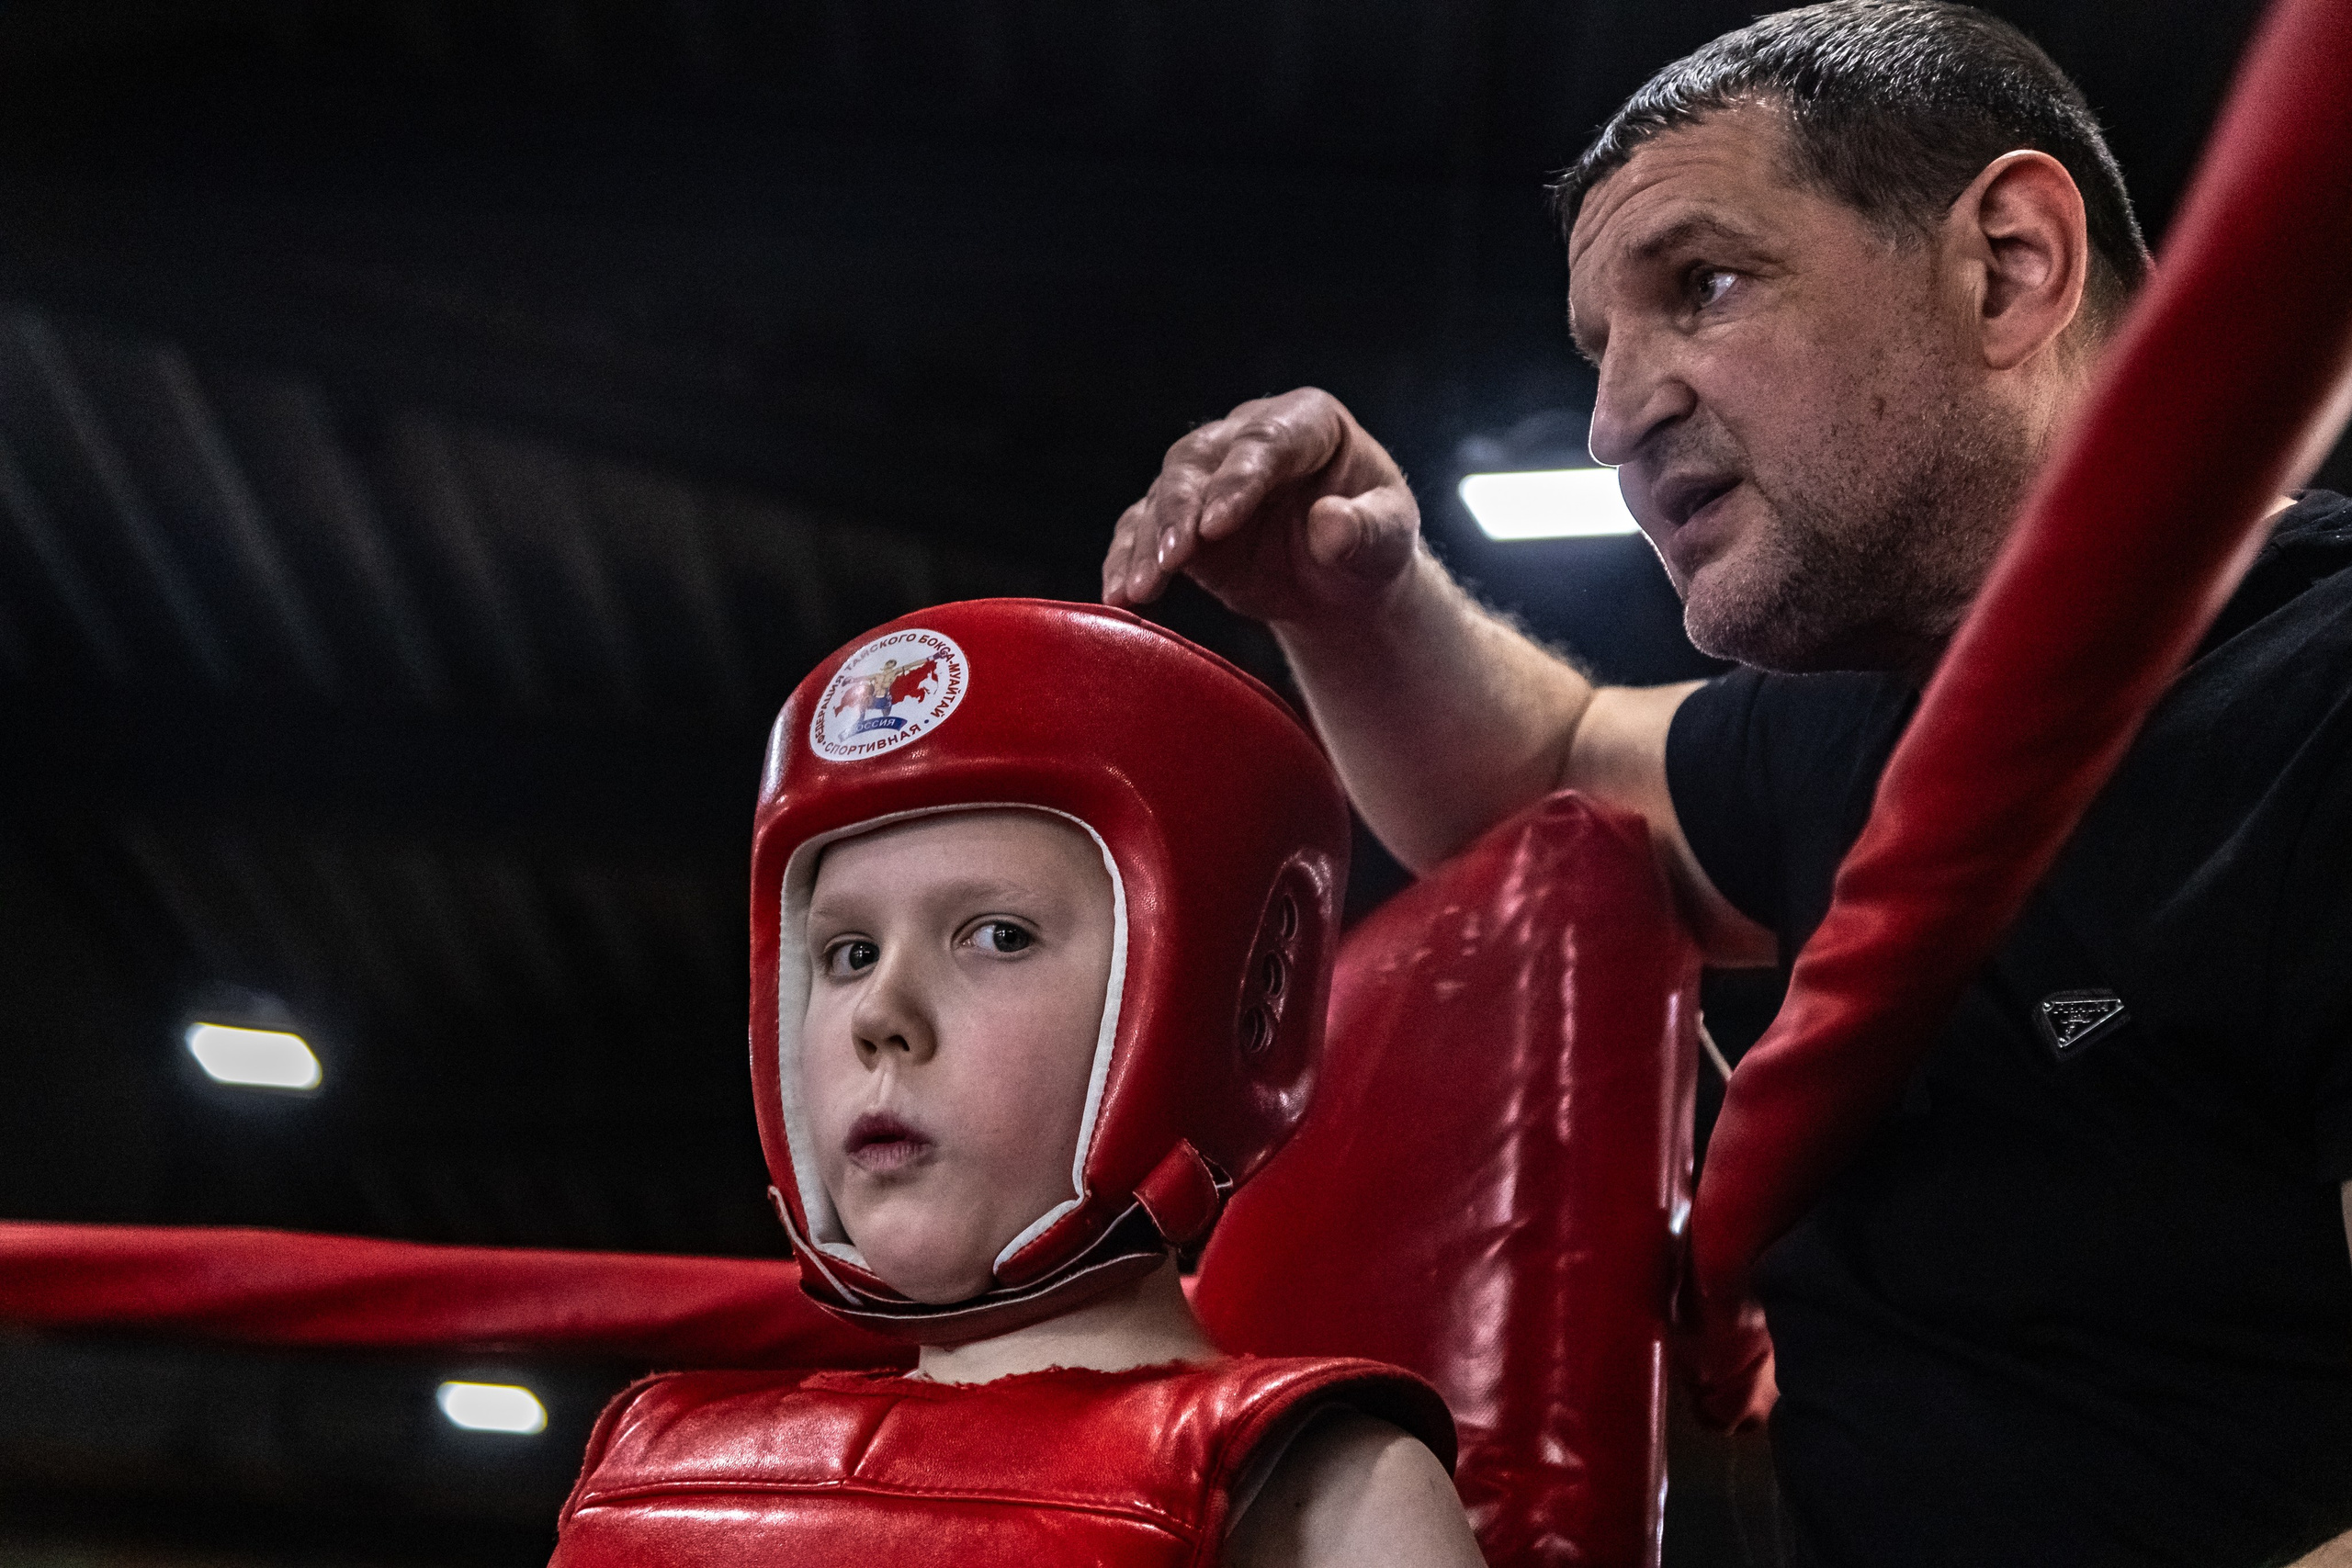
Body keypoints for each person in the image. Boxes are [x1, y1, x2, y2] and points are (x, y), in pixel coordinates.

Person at [1100, 4, 2352, 1564]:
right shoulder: (1854, 725)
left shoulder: (2321, 700)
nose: (1616, 417)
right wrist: (1352, 599)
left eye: (1703, 284)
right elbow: (1544, 778)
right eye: (1600, 350)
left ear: (2010, 265)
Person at [549, 598, 1487, 1568]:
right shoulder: (674, 1478)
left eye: (999, 936)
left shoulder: (1317, 1489)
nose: (881, 1013)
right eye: (848, 951)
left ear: (1223, 1006)